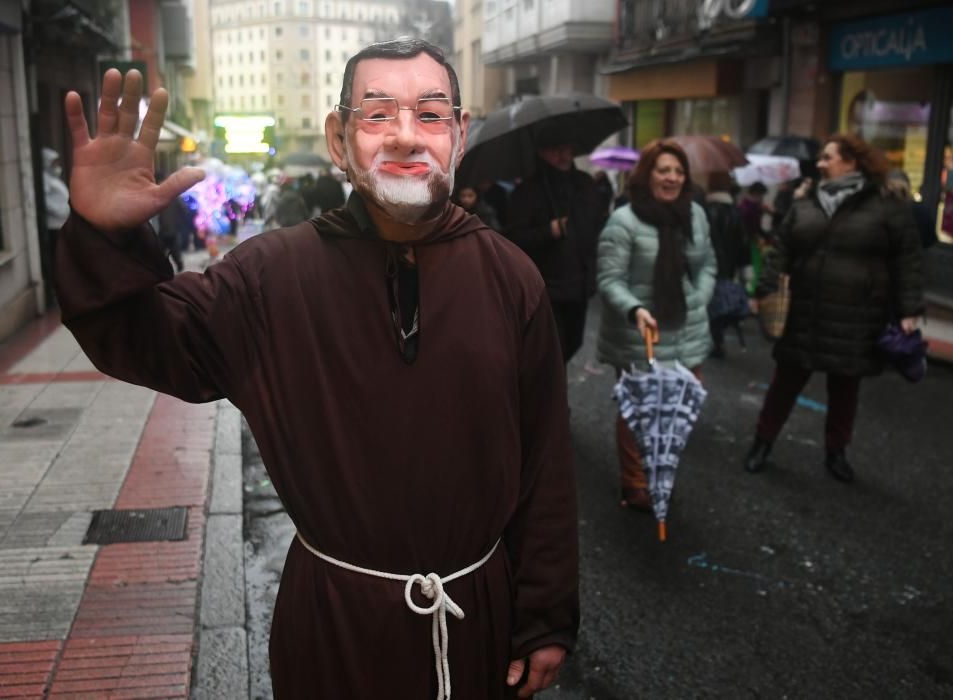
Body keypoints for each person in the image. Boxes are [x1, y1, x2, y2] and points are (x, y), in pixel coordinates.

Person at [55, 39, 577, 699]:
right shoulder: (269, 276)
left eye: (431, 114)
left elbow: (546, 470)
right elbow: (143, 338)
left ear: (460, 134)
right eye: (377, 115)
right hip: (331, 625)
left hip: (475, 621)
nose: (405, 137)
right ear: (338, 138)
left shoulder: (511, 277)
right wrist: (103, 234)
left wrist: (544, 616)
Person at [743, 134, 924, 482]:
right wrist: (765, 288)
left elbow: (908, 260)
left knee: (845, 388)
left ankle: (836, 453)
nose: (821, 163)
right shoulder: (805, 203)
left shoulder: (885, 205)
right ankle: (762, 443)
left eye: (827, 157)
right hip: (804, 310)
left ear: (851, 163)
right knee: (785, 383)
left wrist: (909, 309)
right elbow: (781, 249)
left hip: (856, 314)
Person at [595, 140, 716, 511]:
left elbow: (707, 264)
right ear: (647, 175)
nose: (672, 178)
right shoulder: (624, 221)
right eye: (664, 170)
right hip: (640, 332)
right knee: (640, 410)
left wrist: (698, 297)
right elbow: (609, 278)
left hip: (686, 328)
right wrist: (634, 309)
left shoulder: (694, 215)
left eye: (679, 171)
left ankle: (660, 474)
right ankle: (635, 482)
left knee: (676, 412)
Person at [506, 127, 607, 365]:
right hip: (545, 287)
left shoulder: (585, 184)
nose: (563, 155)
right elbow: (512, 240)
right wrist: (547, 232)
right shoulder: (527, 191)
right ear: (541, 152)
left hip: (579, 283)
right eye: (555, 150)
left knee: (573, 341)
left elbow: (593, 227)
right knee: (551, 351)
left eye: (567, 149)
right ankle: (552, 401)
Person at [704, 172, 751, 357]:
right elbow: (743, 243)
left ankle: (712, 338)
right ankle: (717, 338)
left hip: (709, 265)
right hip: (728, 267)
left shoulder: (705, 211)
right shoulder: (735, 212)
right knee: (721, 301)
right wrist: (745, 271)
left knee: (710, 302)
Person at [41, 147, 70, 303]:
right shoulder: (45, 179)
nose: (56, 165)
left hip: (62, 223)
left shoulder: (54, 179)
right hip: (54, 225)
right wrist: (59, 210)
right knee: (58, 257)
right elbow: (44, 201)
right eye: (53, 162)